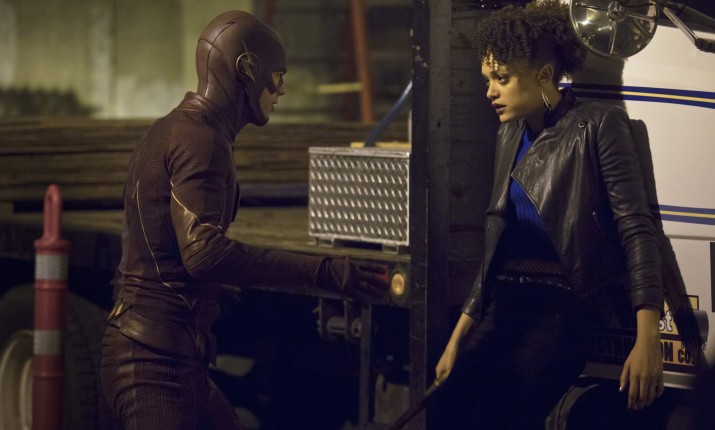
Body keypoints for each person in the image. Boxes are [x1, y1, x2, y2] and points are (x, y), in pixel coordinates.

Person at [100, 11, 386, 430]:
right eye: (277, 76)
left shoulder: (174, 129)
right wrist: (326, 271)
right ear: (247, 69)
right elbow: (204, 254)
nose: (281, 89)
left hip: (170, 359)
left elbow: (171, 247)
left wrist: (215, 288)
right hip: (154, 366)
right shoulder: (200, 139)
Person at [431, 1, 664, 428]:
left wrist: (649, 336)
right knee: (446, 412)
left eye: (502, 79)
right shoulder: (508, 134)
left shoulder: (597, 125)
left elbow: (636, 228)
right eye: (487, 80)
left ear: (543, 75)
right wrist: (458, 337)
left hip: (561, 311)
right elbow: (497, 244)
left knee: (496, 418)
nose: (490, 92)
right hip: (506, 305)